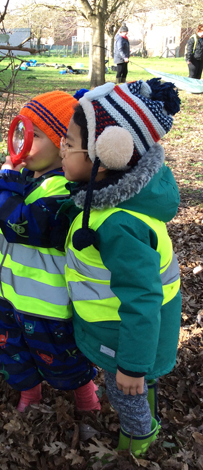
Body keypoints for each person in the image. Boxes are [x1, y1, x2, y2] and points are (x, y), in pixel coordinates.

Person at [59, 78, 182, 456]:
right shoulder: (106, 198)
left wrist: (132, 365)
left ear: (105, 156)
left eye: (69, 143)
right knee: (131, 388)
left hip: (127, 339)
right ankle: (141, 409)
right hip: (120, 331)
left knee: (126, 392)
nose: (61, 149)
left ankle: (139, 442)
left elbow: (143, 297)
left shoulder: (118, 225)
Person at [0, 91, 100, 412]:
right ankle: (29, 393)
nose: (23, 143)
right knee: (13, 353)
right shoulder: (24, 178)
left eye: (34, 136)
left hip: (49, 306)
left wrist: (4, 178)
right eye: (21, 133)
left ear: (63, 144)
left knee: (64, 358)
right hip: (5, 296)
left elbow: (19, 222)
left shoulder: (66, 192)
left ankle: (85, 395)